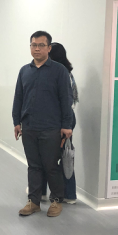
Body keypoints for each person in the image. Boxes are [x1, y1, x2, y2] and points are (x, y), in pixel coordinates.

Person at [13, 31, 74, 218]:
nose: (37, 49)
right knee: (33, 166)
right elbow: (18, 97)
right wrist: (16, 121)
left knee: (51, 166)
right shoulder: (24, 71)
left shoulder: (59, 71)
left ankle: (56, 201)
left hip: (51, 127)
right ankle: (34, 202)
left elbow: (66, 99)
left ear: (49, 48)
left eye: (41, 45)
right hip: (29, 126)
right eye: (33, 45)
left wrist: (66, 125)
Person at [37, 42, 79, 204]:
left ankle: (41, 192)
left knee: (45, 156)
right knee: (66, 155)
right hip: (68, 118)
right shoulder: (68, 73)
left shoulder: (56, 73)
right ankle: (69, 195)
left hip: (57, 119)